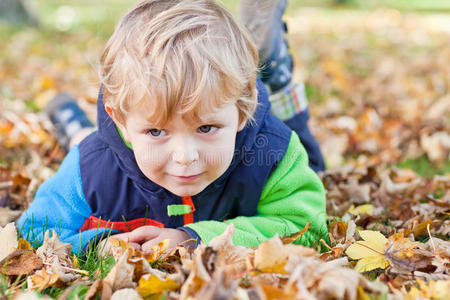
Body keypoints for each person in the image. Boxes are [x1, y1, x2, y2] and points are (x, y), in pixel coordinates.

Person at [18, 0, 327, 254]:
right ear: (121, 121)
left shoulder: (274, 153)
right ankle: (69, 116)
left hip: (256, 126)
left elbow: (305, 226)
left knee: (315, 166)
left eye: (206, 128)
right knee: (86, 143)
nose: (185, 156)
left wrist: (198, 238)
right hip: (106, 147)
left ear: (243, 111)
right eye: (156, 132)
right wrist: (97, 245)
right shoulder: (88, 168)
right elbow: (34, 231)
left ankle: (276, 73)